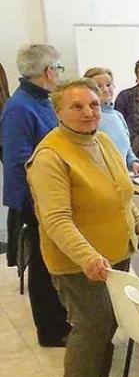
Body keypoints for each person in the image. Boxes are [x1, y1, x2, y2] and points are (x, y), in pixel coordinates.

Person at [27, 78, 139, 377]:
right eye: (77, 106)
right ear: (58, 112)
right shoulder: (50, 155)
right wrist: (87, 256)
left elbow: (121, 195)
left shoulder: (101, 140)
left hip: (114, 254)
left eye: (93, 105)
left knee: (108, 322)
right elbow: (56, 219)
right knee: (90, 326)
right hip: (77, 262)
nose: (88, 112)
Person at [0, 44, 70, 347]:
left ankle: (60, 320)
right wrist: (38, 202)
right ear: (48, 71)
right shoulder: (20, 107)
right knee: (43, 263)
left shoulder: (41, 100)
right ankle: (51, 330)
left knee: (53, 260)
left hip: (49, 195)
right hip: (37, 199)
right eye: (59, 68)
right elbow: (17, 162)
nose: (60, 74)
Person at [83, 67, 139, 176]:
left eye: (108, 85)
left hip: (123, 178)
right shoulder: (87, 119)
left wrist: (133, 163)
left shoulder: (118, 116)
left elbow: (127, 149)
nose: (105, 89)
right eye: (99, 86)